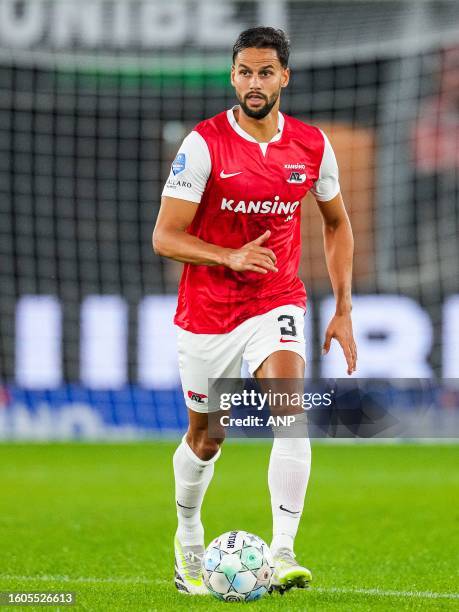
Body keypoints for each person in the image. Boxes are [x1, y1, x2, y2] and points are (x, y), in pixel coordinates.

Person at [153, 26, 356, 596]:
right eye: (245, 71)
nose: (255, 82)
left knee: (290, 414)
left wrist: (342, 308)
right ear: (233, 76)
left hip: (276, 299)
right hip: (208, 311)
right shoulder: (205, 143)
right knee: (207, 437)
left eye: (266, 71)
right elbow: (165, 236)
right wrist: (229, 256)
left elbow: (337, 224)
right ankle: (187, 537)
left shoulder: (311, 146)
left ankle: (284, 553)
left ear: (284, 76)